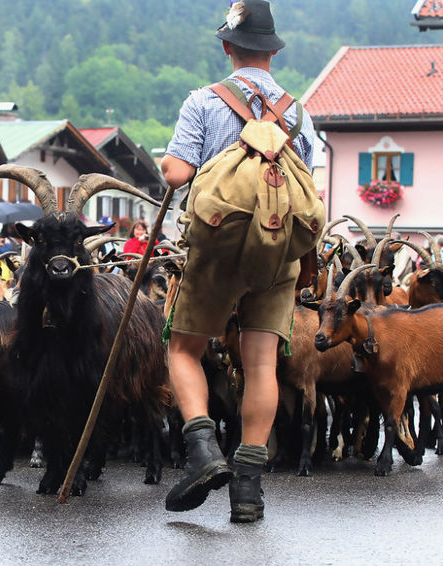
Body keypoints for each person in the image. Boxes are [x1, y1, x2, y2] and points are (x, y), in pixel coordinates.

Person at [160, 0, 314, 523]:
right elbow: (306, 181)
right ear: (272, 51)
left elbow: (177, 174)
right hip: (277, 254)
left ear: (228, 46)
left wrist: (172, 162)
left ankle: (203, 451)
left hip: (216, 249)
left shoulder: (204, 101)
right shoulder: (296, 111)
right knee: (262, 365)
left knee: (182, 349)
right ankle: (248, 492)